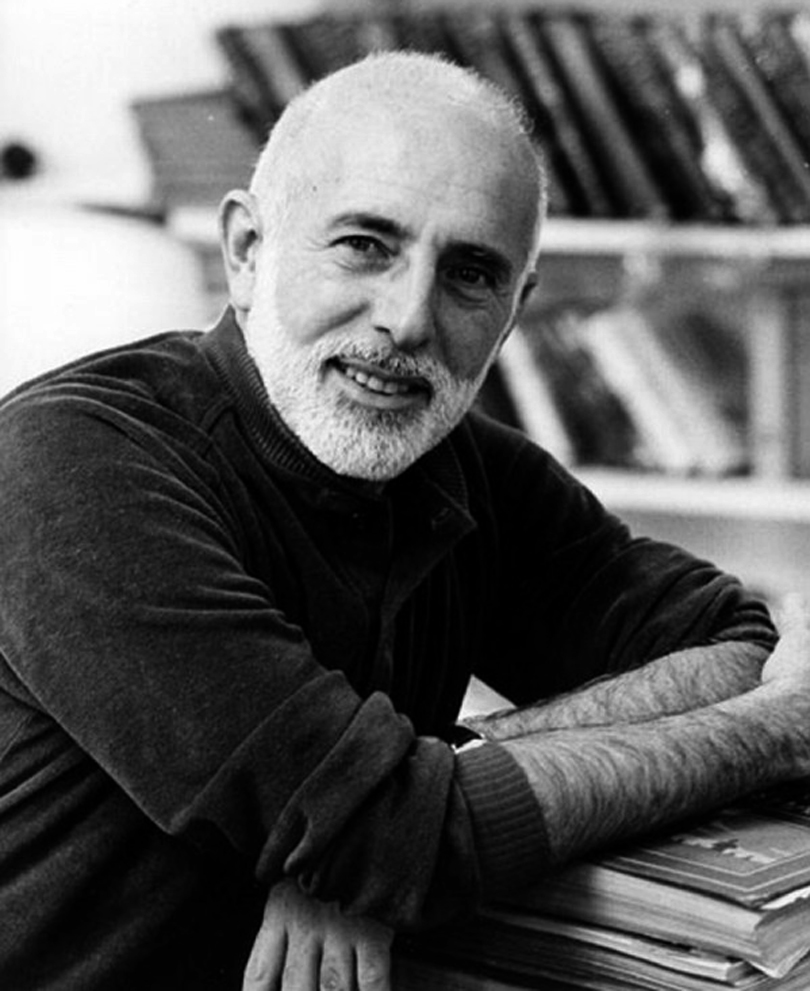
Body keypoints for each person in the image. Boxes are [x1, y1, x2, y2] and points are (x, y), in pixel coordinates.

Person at [0, 50, 808, 991]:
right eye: (364, 245)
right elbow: (386, 835)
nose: (409, 318)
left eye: (470, 273)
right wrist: (780, 730)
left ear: (514, 311)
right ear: (247, 250)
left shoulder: (459, 460)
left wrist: (426, 791)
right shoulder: (68, 463)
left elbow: (734, 644)